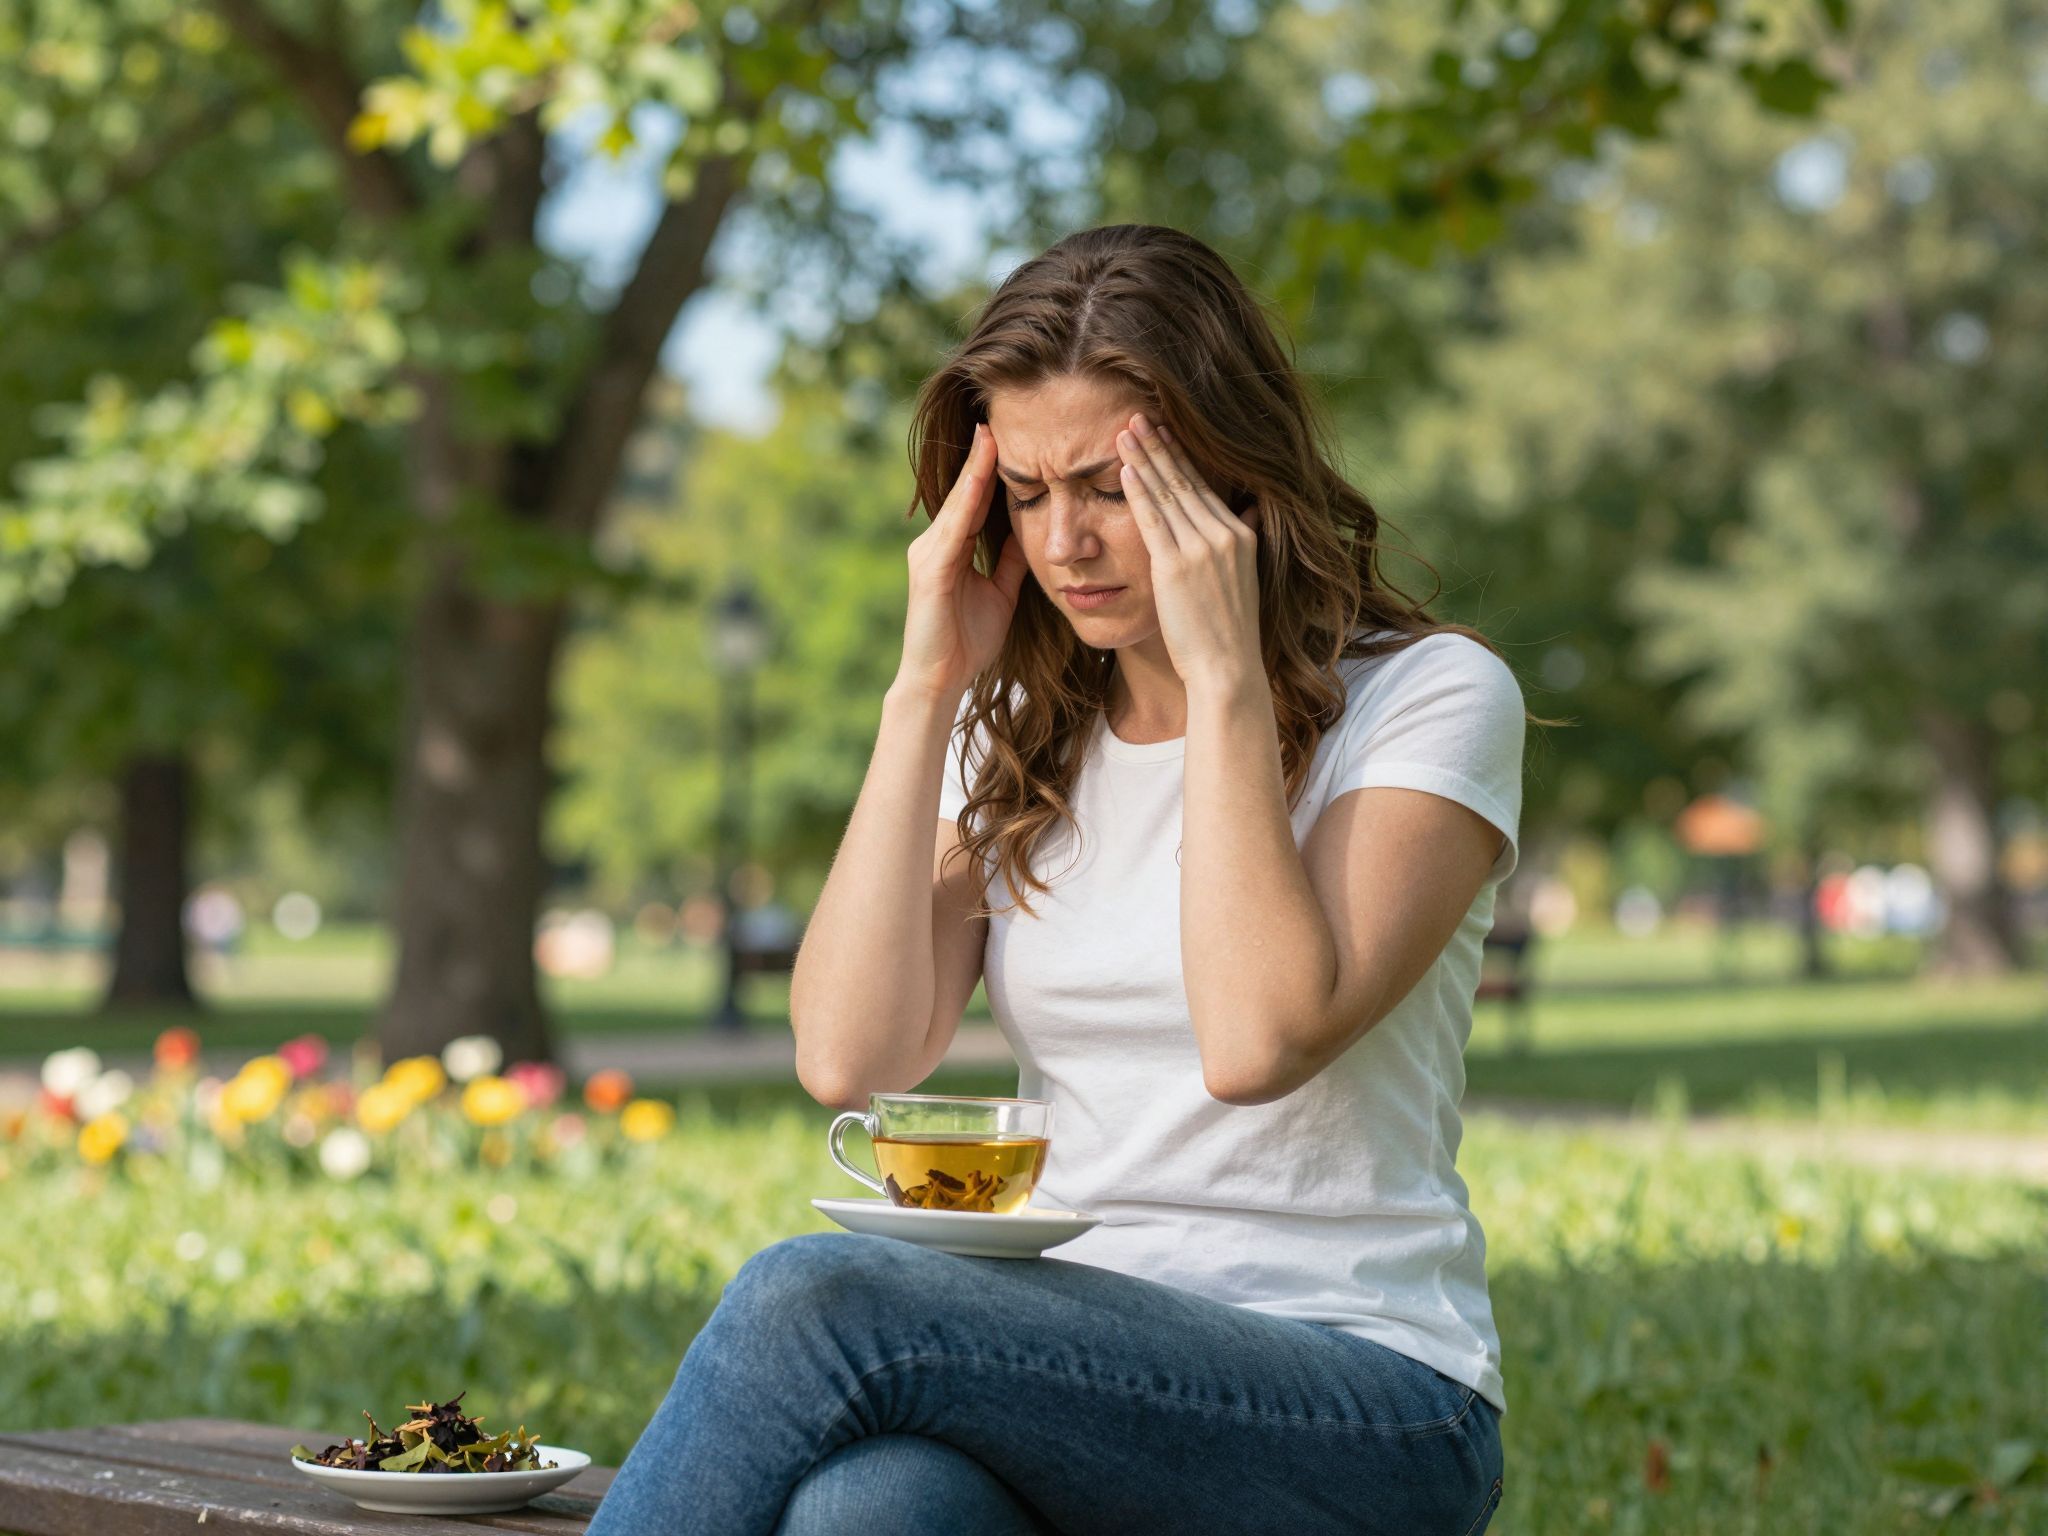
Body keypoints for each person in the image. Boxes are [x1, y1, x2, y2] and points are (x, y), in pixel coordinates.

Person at [586, 223, 1529, 1536]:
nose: (1068, 542)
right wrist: (926, 690)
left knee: (821, 1300)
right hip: (1058, 1373)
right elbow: (849, 1059)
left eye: (1110, 486)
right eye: (1028, 495)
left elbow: (1257, 1040)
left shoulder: (1428, 700)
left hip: (1361, 1402)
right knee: (872, 1510)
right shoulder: (1023, 727)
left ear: (1228, 476)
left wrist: (1222, 683)